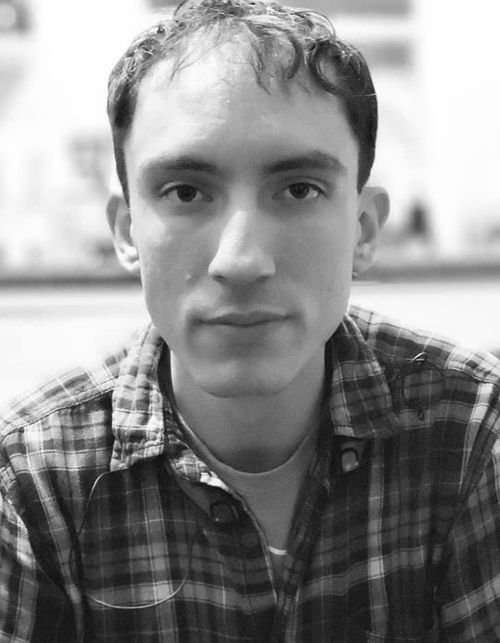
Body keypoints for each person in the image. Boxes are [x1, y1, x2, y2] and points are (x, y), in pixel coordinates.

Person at [1, 0, 500, 640]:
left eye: (299, 189)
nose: (240, 261)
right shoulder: (30, 481)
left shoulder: (472, 432)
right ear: (127, 232)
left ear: (363, 229)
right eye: (185, 192)